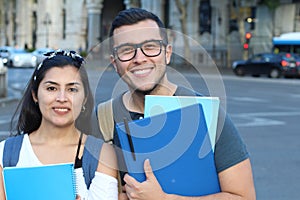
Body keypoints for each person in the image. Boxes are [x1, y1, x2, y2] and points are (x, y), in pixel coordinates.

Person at [97, 8, 256, 200]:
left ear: (168, 53)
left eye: (150, 47)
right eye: (126, 51)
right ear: (115, 63)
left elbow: (244, 196)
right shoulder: (102, 118)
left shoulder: (207, 114)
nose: (139, 58)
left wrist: (165, 199)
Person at [0, 50, 118, 200]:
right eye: (51, 88)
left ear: (85, 98)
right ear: (35, 95)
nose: (62, 98)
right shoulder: (5, 154)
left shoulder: (101, 154)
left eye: (72, 89)